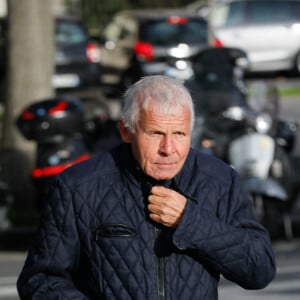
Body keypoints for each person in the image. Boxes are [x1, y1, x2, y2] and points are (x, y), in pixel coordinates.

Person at [17, 75, 276, 299]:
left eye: (179, 134)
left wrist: (190, 222)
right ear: (126, 131)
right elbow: (40, 280)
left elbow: (259, 269)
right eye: (155, 134)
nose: (168, 149)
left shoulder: (219, 180)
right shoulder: (77, 187)